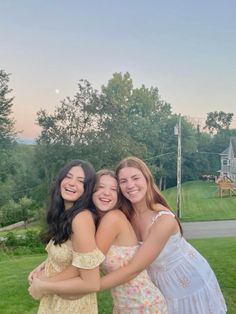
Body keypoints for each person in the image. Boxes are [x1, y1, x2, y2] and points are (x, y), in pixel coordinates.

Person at [100, 156, 227, 314]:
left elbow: (134, 268)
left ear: (147, 179)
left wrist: (89, 286)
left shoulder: (163, 220)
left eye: (135, 178)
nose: (130, 185)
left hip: (186, 279)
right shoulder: (125, 216)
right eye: (123, 181)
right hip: (155, 281)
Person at [28, 159, 105, 314]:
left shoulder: (81, 219)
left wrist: (43, 286)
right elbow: (70, 254)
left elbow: (92, 283)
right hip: (56, 301)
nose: (71, 183)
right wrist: (41, 267)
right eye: (68, 177)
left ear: (87, 189)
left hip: (72, 306)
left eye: (80, 181)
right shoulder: (65, 215)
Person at [94, 169, 167, 313]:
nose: (106, 193)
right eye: (100, 187)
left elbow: (87, 261)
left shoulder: (113, 218)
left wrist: (51, 284)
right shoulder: (99, 222)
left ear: (118, 196)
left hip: (143, 305)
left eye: (113, 189)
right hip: (124, 305)